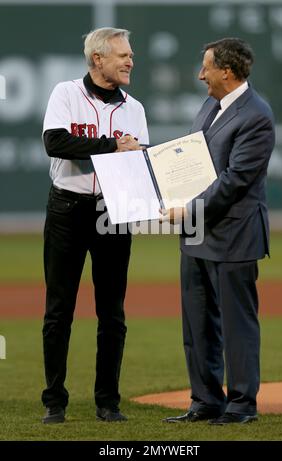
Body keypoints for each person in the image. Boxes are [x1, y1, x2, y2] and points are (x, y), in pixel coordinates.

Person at [160, 37, 275, 425]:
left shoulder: (256, 115)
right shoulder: (212, 104)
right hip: (197, 235)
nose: (200, 75)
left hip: (235, 235)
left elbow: (234, 181)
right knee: (196, 324)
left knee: (237, 324)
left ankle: (242, 405)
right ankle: (206, 400)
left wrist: (187, 209)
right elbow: (192, 160)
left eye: (206, 67)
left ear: (226, 71)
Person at [41, 27, 149, 424]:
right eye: (123, 55)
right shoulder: (66, 94)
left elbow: (137, 162)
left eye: (131, 55)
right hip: (68, 209)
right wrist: (112, 147)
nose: (131, 61)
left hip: (113, 211)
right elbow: (55, 142)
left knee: (112, 312)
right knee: (59, 310)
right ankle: (54, 400)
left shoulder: (134, 108)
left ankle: (108, 401)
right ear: (97, 59)